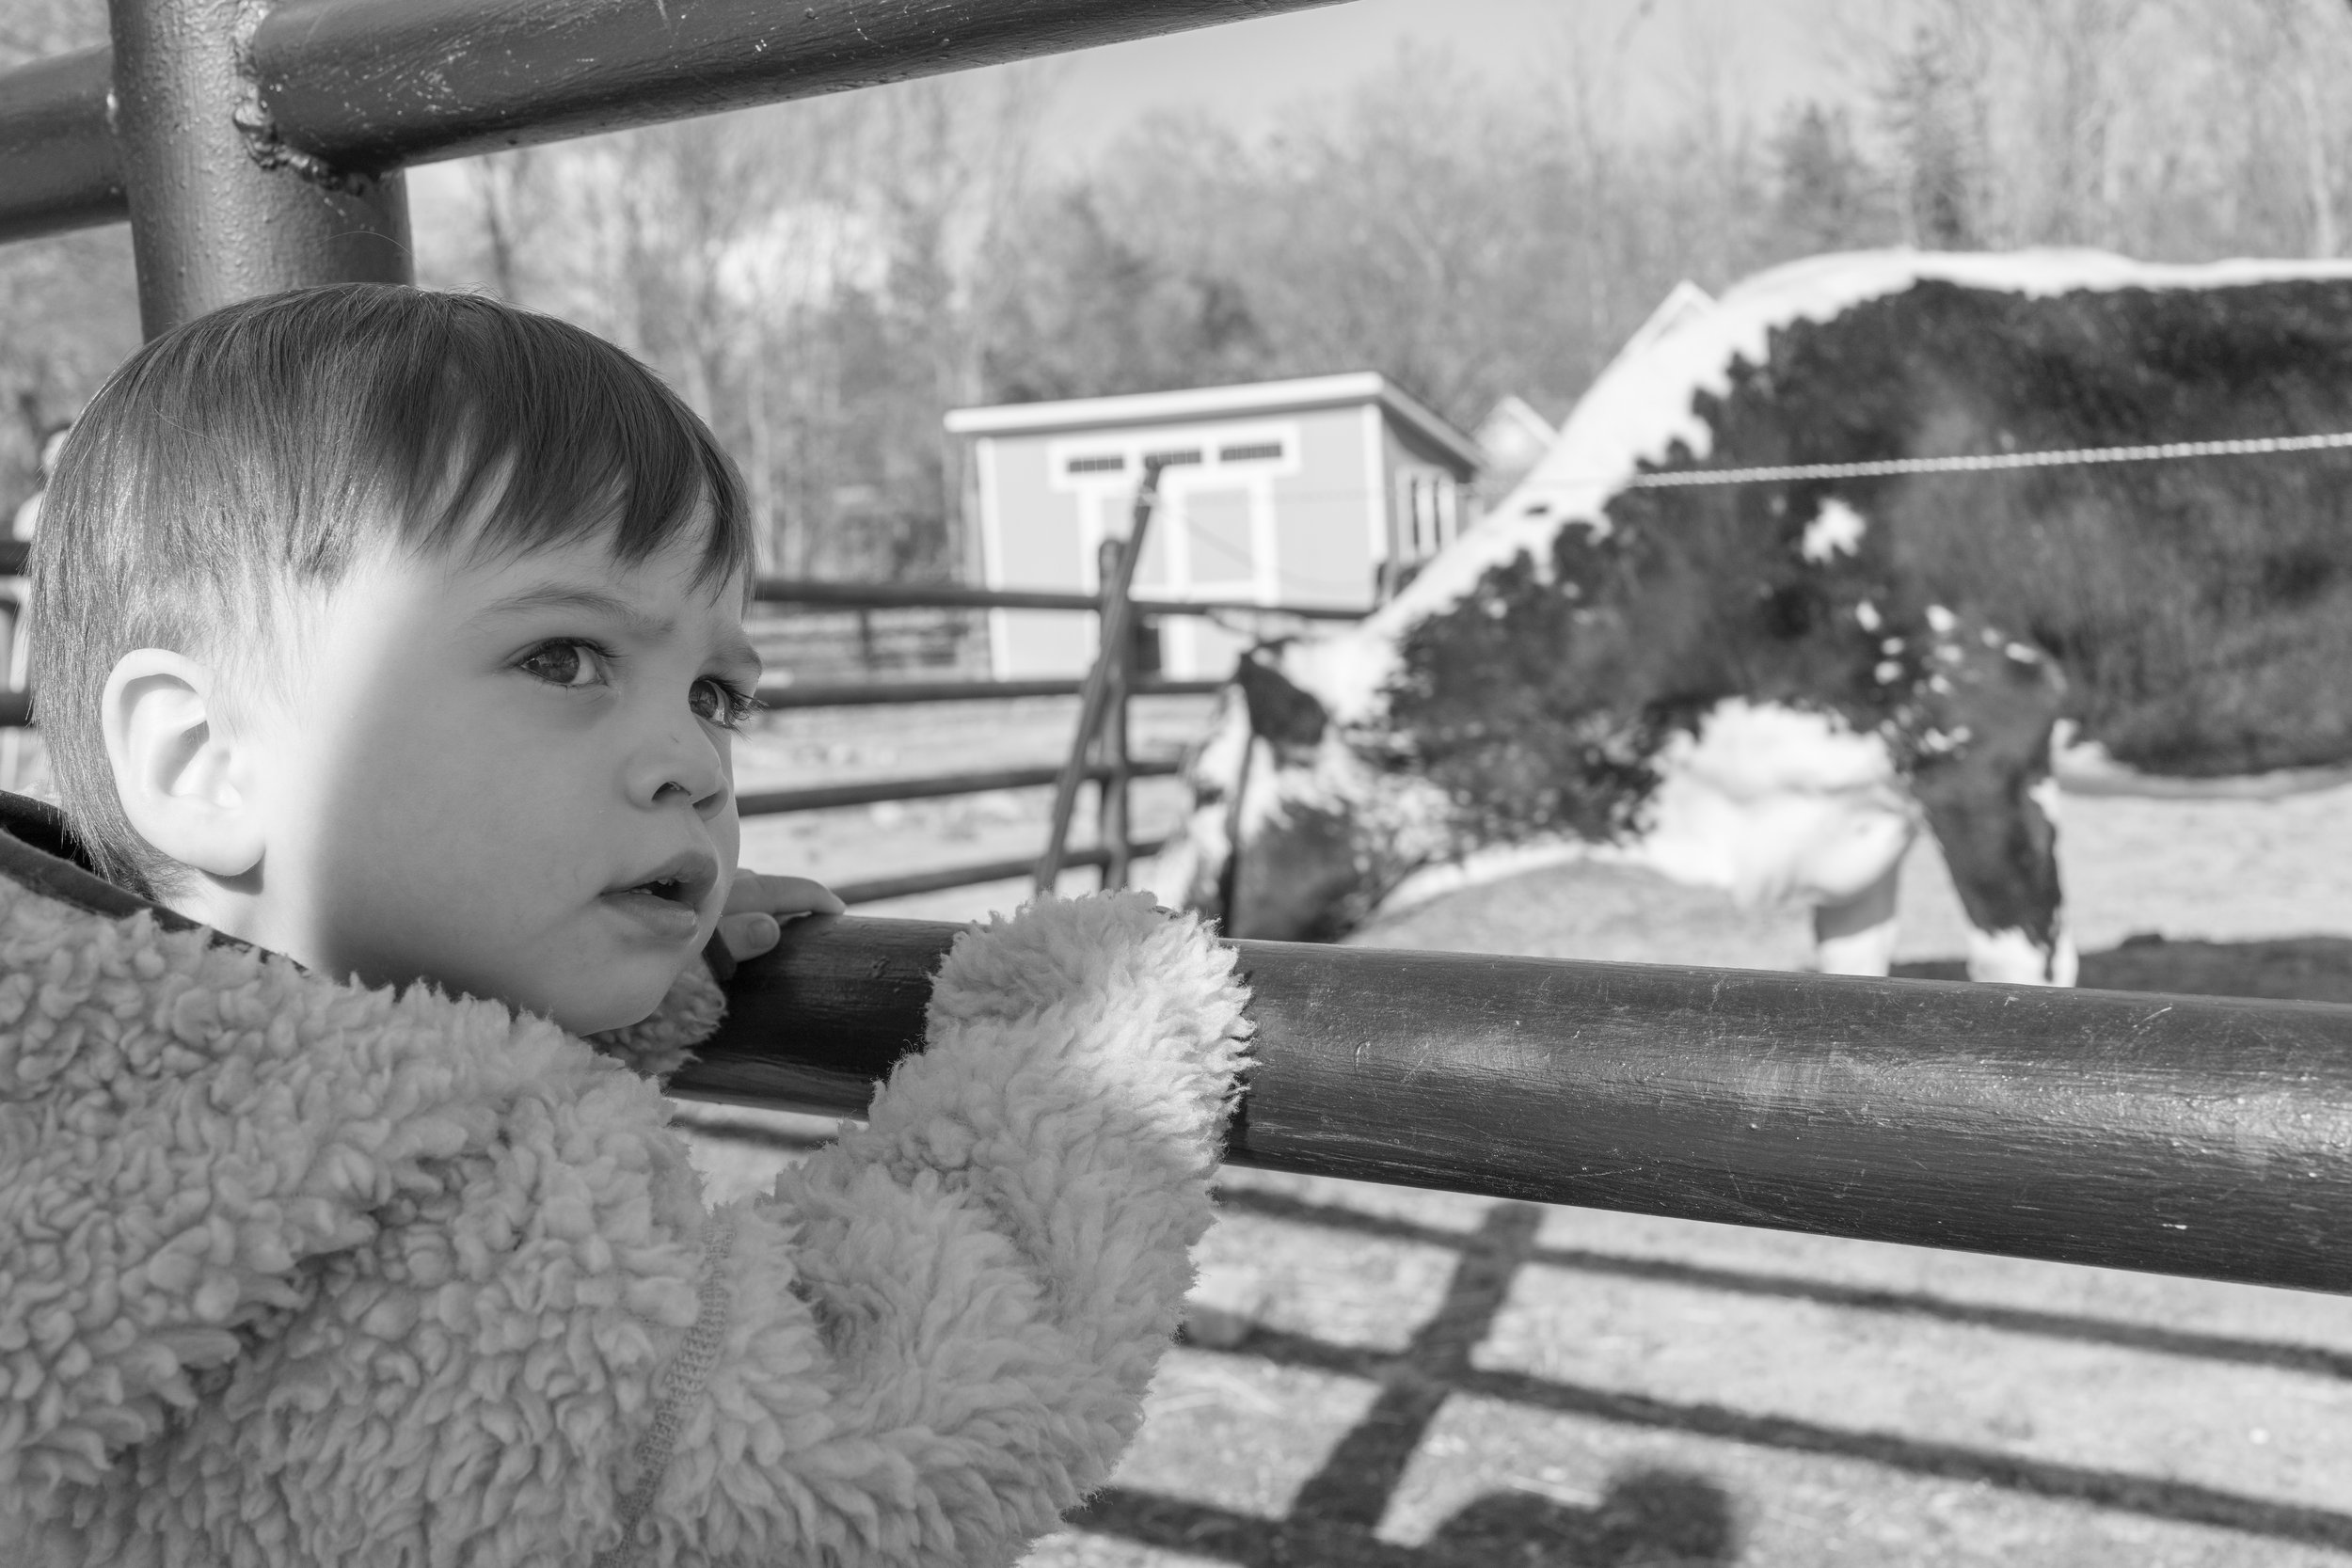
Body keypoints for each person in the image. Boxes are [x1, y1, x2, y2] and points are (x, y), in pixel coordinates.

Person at [0, 285, 1252, 1565]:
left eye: (715, 694)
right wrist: (1096, 1070)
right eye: (564, 658)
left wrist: (623, 982)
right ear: (205, 757)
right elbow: (843, 1459)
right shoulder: (439, 1225)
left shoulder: (97, 1106)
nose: (694, 765)